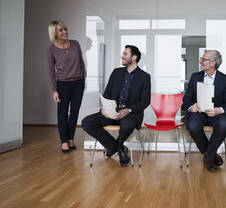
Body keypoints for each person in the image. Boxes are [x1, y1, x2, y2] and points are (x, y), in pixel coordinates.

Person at [82, 45, 150, 167]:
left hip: (131, 113)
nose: (121, 56)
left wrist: (128, 110)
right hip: (111, 110)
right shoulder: (116, 72)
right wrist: (104, 108)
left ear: (134, 57)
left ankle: (115, 148)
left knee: (127, 125)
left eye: (125, 54)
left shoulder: (144, 77)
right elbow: (107, 93)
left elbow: (145, 101)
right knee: (87, 122)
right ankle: (119, 148)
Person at [183, 50, 226, 172]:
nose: (200, 61)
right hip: (199, 112)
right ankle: (211, 155)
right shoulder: (195, 76)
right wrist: (191, 106)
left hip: (215, 113)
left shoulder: (225, 79)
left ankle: (208, 156)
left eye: (203, 59)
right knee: (192, 125)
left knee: (223, 125)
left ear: (212, 63)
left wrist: (218, 110)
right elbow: (186, 98)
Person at [46, 20, 86, 153]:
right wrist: (54, 90)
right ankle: (64, 141)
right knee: (62, 113)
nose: (64, 32)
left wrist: (83, 79)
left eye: (65, 29)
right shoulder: (51, 49)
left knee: (74, 112)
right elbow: (51, 72)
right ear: (54, 33)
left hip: (78, 83)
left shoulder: (75, 44)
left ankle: (70, 138)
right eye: (60, 30)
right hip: (63, 84)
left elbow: (81, 63)